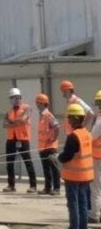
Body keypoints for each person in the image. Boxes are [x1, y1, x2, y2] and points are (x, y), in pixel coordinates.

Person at [59, 102, 94, 229]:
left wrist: (57, 158)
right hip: (85, 176)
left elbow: (67, 156)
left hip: (73, 177)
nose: (68, 120)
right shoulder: (87, 134)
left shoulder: (73, 136)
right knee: (83, 203)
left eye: (69, 118)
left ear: (75, 119)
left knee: (73, 204)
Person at [2, 87, 37, 192]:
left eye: (17, 97)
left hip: (22, 138)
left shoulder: (27, 108)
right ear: (10, 99)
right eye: (13, 98)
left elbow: (23, 120)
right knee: (9, 163)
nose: (15, 99)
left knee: (28, 161)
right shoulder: (9, 112)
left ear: (20, 98)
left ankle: (33, 185)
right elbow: (4, 125)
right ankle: (11, 185)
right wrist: (16, 122)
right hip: (11, 138)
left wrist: (11, 123)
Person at [36, 93, 60, 196]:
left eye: (37, 102)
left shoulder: (48, 115)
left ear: (41, 103)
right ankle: (47, 188)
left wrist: (54, 138)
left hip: (50, 147)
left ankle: (56, 188)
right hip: (43, 147)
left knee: (54, 168)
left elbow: (57, 126)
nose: (36, 105)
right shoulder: (42, 115)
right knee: (46, 169)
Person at [90, 90, 101, 221]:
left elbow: (92, 136)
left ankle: (95, 215)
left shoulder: (100, 120)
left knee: (95, 188)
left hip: (97, 157)